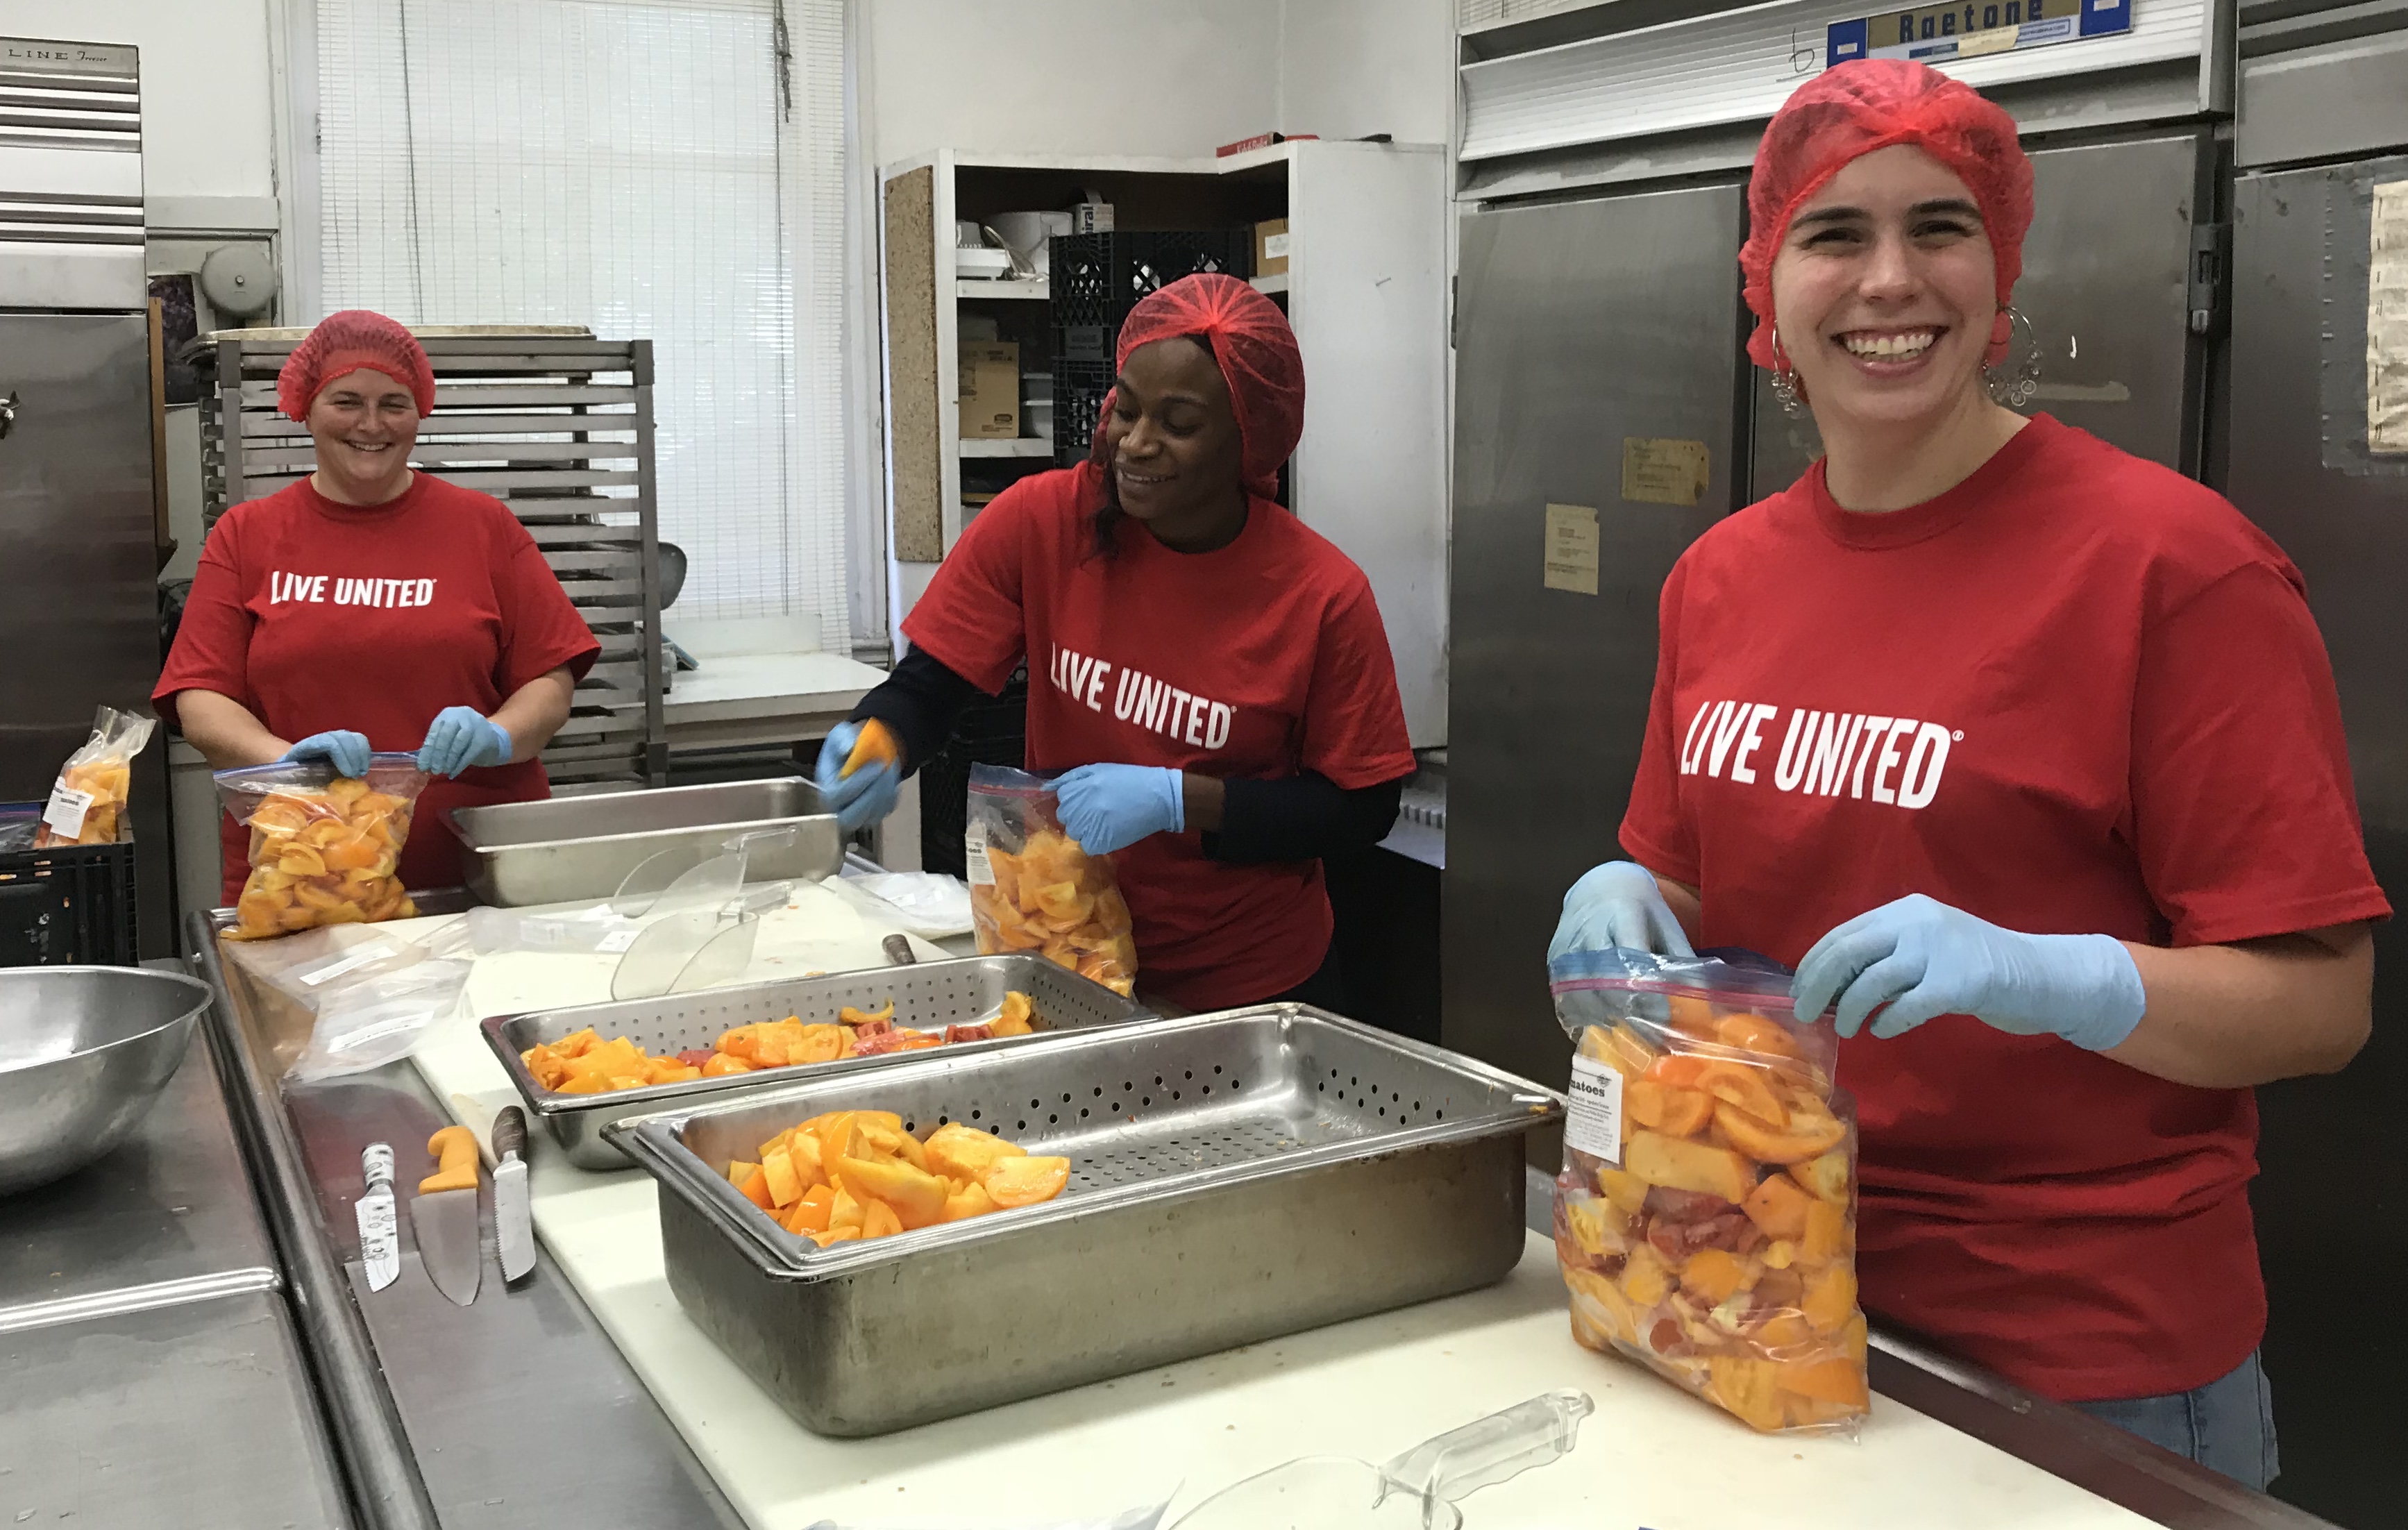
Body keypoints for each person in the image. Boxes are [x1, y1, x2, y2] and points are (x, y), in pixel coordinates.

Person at [1551, 60, 2385, 1488]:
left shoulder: (2171, 570)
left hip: (2077, 1364)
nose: (1890, 279)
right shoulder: (1721, 579)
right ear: (1768, 288)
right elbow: (1691, 885)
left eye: (1939, 227)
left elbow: (2321, 1004)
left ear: (1999, 270)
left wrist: (2055, 975)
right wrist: (1629, 892)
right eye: (1834, 234)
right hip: (1743, 1283)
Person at [817, 274, 1416, 1013]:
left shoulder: (1319, 593)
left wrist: (1179, 800)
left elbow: (1360, 811)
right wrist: (882, 734)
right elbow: (932, 685)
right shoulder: (1042, 521)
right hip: (1061, 955)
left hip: (1244, 986)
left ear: (1249, 440)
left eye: (1179, 423)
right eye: (1124, 409)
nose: (1134, 442)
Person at [156, 310, 600, 899]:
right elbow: (202, 701)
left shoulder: (483, 526)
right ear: (305, 408)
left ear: (420, 412)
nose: (371, 424)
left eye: (394, 403)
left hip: (479, 873)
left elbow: (550, 680)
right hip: (305, 876)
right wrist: (289, 762)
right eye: (346, 401)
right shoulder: (247, 535)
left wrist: (496, 734)